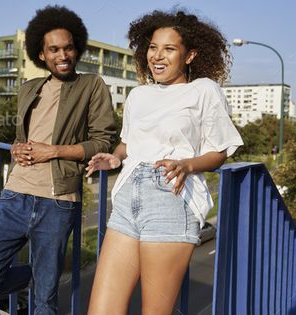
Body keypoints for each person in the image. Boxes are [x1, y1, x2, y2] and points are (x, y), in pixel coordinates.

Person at [86, 9, 243, 315]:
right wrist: (115, 157)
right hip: (127, 198)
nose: (157, 56)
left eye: (169, 48)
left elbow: (220, 152)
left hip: (170, 198)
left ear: (189, 55)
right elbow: (129, 144)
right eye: (153, 47)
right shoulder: (138, 96)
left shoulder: (204, 91)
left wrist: (187, 165)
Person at [0, 6, 116, 314]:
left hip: (57, 202)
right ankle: (40, 276)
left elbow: (103, 141)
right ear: (42, 54)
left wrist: (54, 150)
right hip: (15, 196)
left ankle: (44, 280)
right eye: (54, 49)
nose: (63, 55)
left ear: (77, 49)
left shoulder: (91, 85)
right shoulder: (28, 88)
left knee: (45, 301)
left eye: (69, 47)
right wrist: (15, 148)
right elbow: (25, 137)